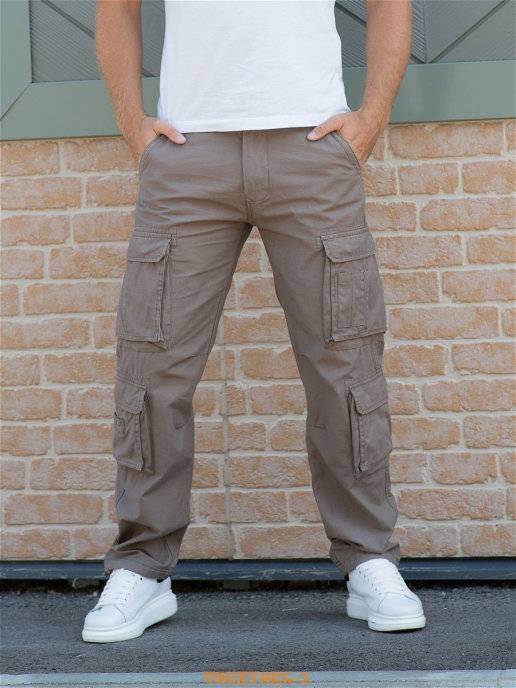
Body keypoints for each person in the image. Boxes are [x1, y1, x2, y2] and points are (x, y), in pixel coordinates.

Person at [83, 0, 425, 644]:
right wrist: (133, 125)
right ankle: (142, 568)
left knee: (345, 364)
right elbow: (116, 7)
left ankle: (369, 558)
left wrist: (371, 118)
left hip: (311, 147)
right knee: (153, 369)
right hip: (188, 152)